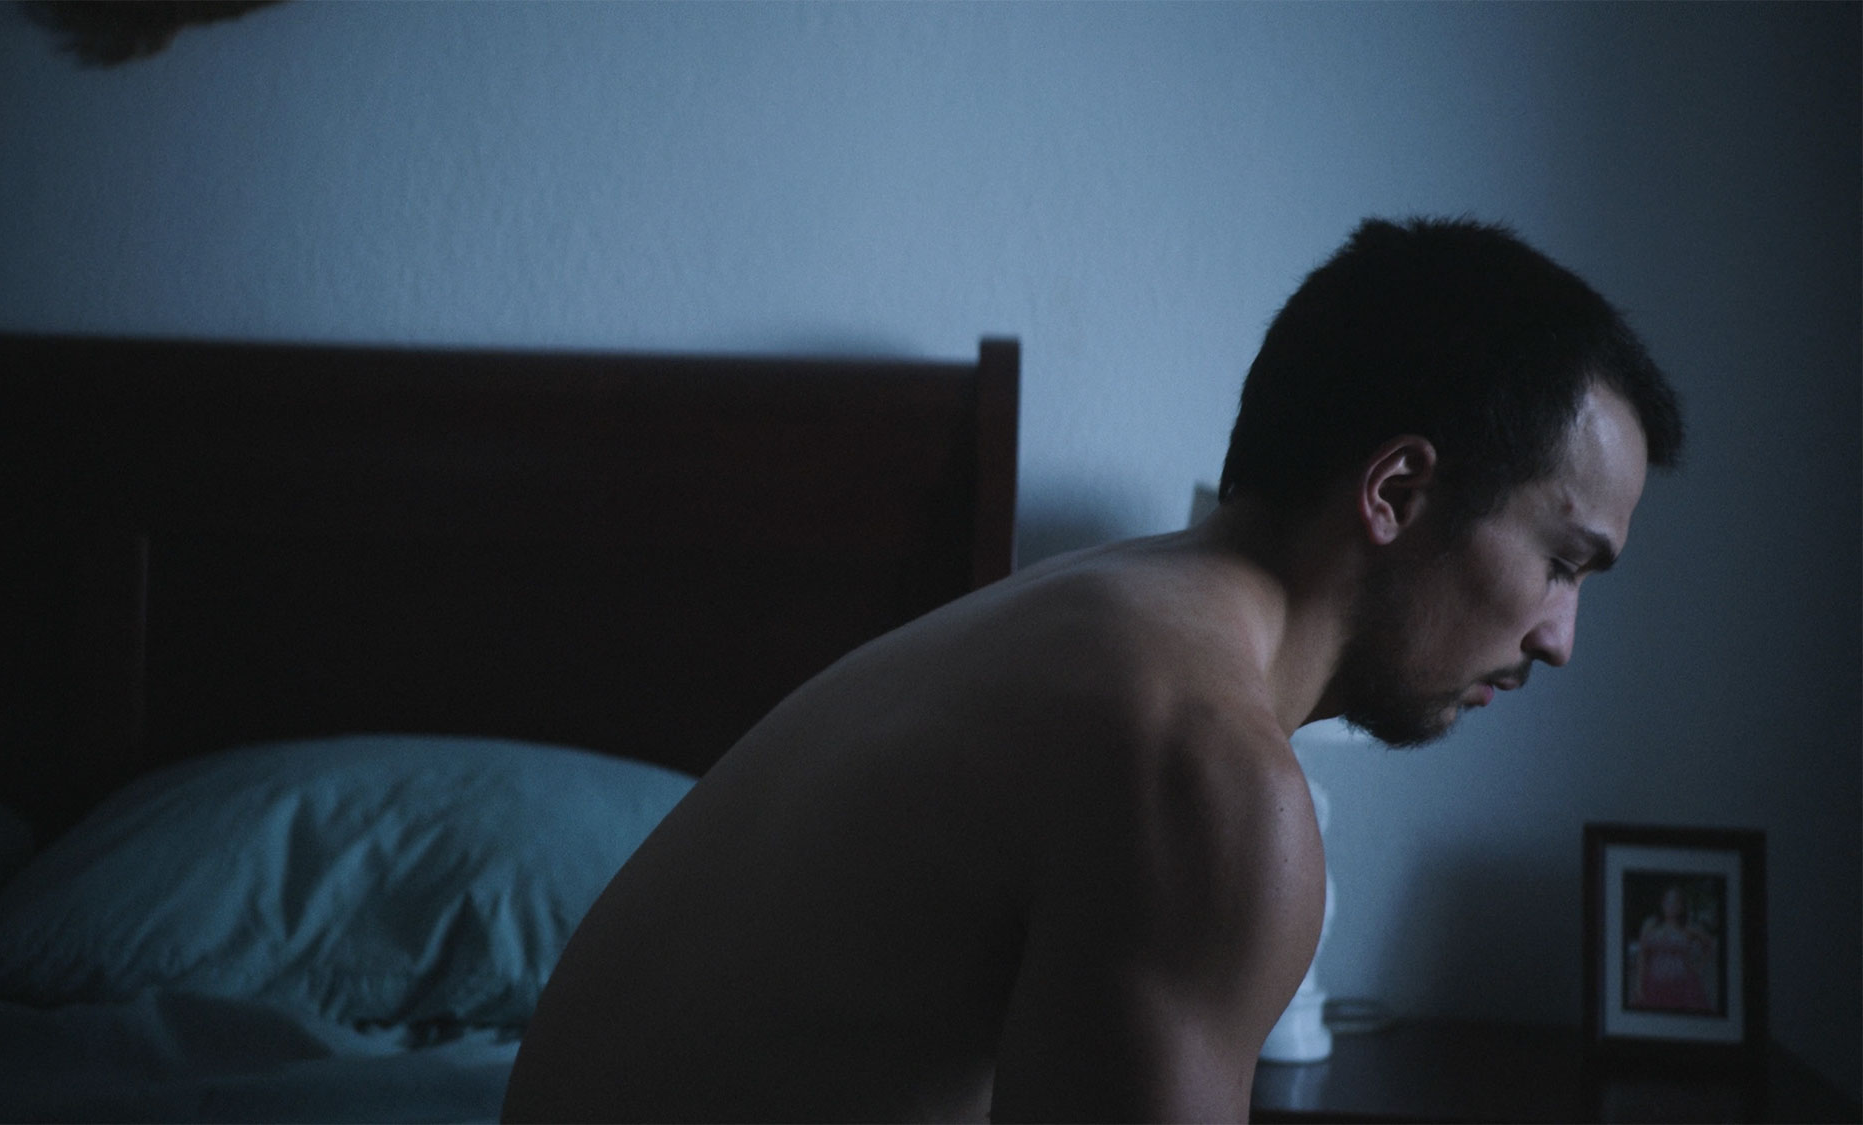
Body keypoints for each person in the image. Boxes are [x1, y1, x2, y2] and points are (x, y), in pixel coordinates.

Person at [502, 217, 1684, 1123]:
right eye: (1561, 562)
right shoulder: (1202, 768)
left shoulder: (1088, 616)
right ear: (1395, 492)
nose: (1557, 638)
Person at [1630, 883, 1719, 1013]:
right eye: (1667, 901)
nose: (1671, 906)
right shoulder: (1650, 924)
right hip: (1654, 984)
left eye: (1675, 902)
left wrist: (1699, 966)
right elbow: (1642, 955)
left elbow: (1710, 944)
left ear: (1681, 906)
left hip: (1683, 985)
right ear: (1662, 903)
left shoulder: (1688, 928)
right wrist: (1638, 985)